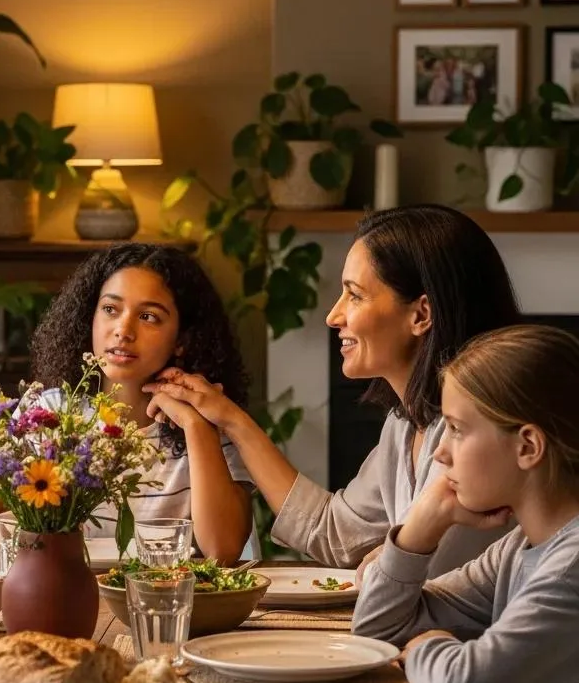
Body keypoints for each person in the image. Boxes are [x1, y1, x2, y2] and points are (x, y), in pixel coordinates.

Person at [143, 205, 521, 575]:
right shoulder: (403, 426)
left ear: (420, 315)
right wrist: (229, 418)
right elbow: (335, 534)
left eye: (354, 295)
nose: (333, 316)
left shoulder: (475, 435)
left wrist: (381, 561)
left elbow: (419, 579)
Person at [352, 325, 579, 683]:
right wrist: (420, 529)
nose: (440, 454)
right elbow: (376, 629)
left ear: (527, 446)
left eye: (456, 429)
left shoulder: (570, 566)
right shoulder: (520, 547)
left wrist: (428, 645)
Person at [0, 243, 255, 564]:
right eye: (110, 309)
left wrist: (194, 424)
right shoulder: (46, 415)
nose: (123, 330)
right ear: (87, 318)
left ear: (182, 342)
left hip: (165, 602)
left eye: (148, 317)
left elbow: (223, 550)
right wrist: (48, 540)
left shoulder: (210, 423)